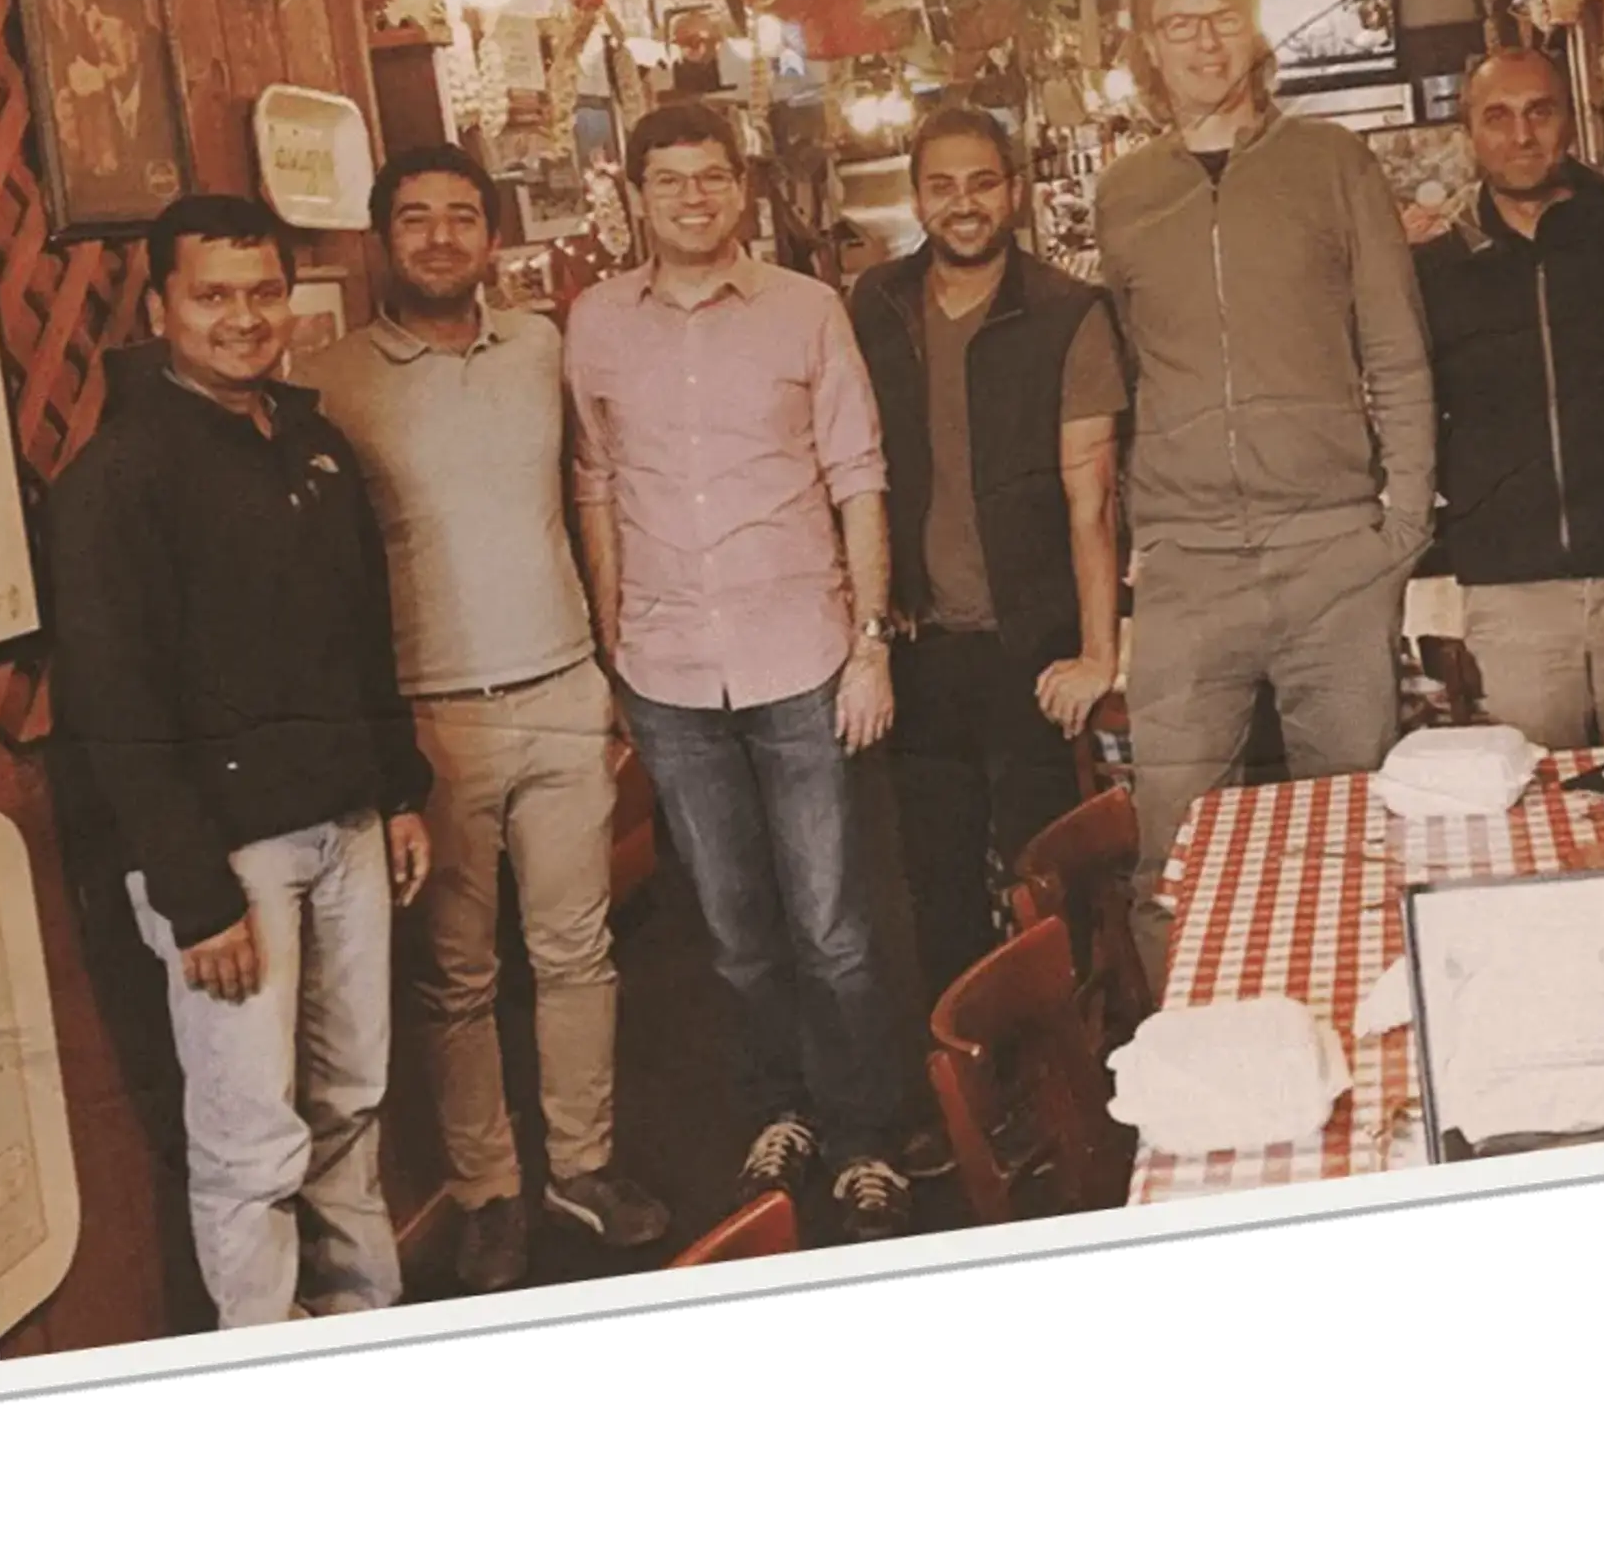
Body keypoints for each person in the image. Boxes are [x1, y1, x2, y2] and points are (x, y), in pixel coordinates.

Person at [47, 194, 433, 1327]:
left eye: (263, 291)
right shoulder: (115, 480)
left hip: (350, 826)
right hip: (229, 866)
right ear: (160, 304)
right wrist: (196, 893)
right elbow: (114, 709)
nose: (243, 316)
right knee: (252, 1144)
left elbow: (366, 636)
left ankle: (368, 1308)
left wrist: (399, 792)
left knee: (354, 1101)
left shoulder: (312, 440)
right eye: (213, 294)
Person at [306, 144, 671, 1294]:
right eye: (415, 218)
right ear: (381, 236)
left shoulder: (543, 348)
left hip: (564, 688)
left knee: (578, 951)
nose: (440, 236)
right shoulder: (329, 378)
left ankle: (584, 1165)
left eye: (462, 216)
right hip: (433, 717)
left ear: (491, 234)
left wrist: (616, 666)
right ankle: (488, 1193)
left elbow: (603, 485)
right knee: (456, 976)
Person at [566, 101, 924, 1246]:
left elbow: (857, 475)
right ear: (634, 193)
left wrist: (871, 639)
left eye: (711, 176)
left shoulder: (807, 310)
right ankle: (780, 1110)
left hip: (804, 655)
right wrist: (615, 648)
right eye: (667, 179)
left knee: (834, 924)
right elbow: (596, 485)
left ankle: (866, 1130)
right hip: (669, 670)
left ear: (743, 188)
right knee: (731, 928)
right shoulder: (594, 324)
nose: (692, 196)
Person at [1094, 0, 1435, 994]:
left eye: (1221, 15)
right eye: (1177, 23)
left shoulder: (1334, 163)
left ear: (1255, 27)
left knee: (1357, 834)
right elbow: (1120, 379)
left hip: (1333, 549)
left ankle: (1366, 1061)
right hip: (1187, 567)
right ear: (1146, 45)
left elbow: (1397, 349)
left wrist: (1402, 526)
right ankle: (1203, 1080)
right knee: (1176, 861)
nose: (1202, 41)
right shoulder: (1124, 194)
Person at [848, 104, 1129, 992]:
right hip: (921, 644)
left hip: (1031, 647)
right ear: (917, 199)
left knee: (1049, 881)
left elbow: (1094, 502)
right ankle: (972, 1095)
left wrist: (1096, 651)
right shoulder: (875, 303)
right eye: (941, 185)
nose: (962, 203)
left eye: (980, 182)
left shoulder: (1067, 311)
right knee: (933, 891)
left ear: (1013, 190)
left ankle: (1071, 1081)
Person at [1412, 45, 1604, 749]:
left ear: (1569, 122)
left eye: (1539, 112)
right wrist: (1475, 498)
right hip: (1510, 585)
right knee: (1531, 789)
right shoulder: (1435, 272)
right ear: (1470, 134)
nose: (1522, 135)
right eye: (1498, 116)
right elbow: (1415, 404)